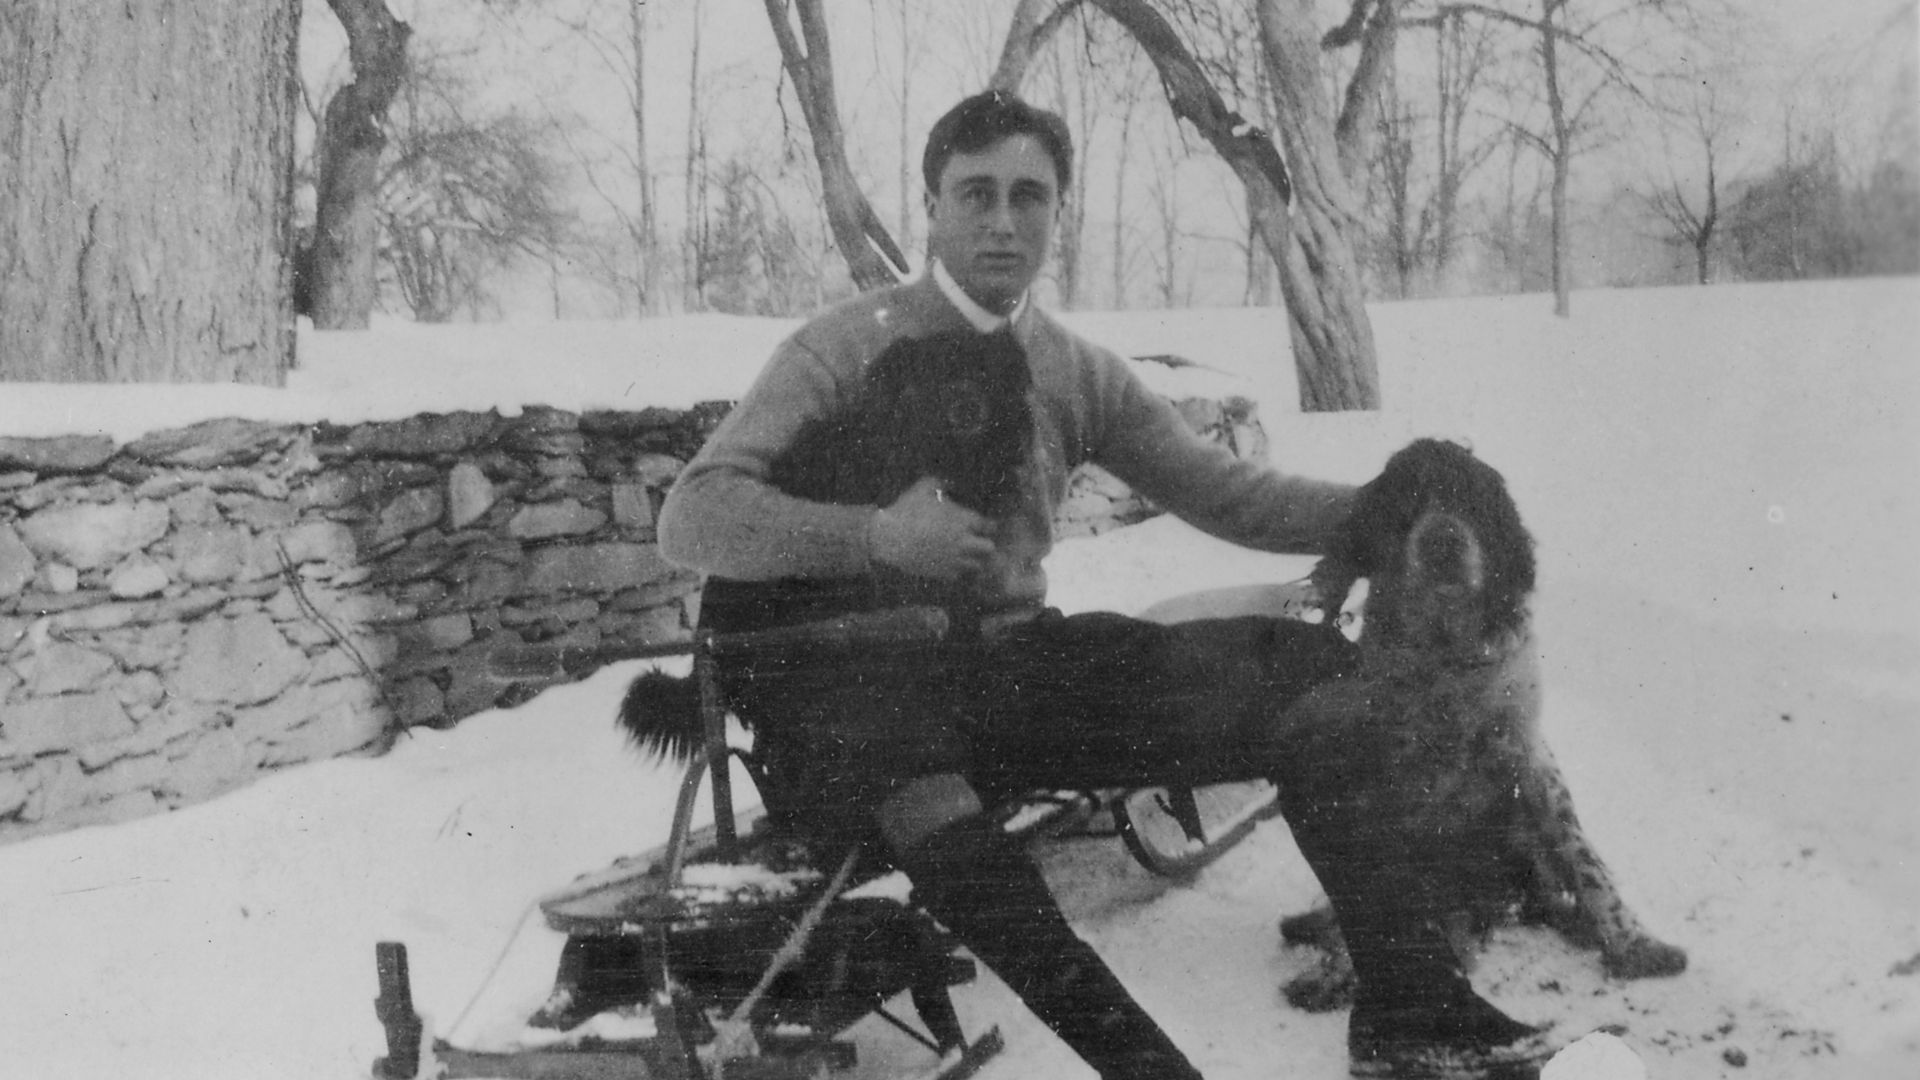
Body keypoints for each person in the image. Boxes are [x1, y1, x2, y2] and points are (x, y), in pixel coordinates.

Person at [658, 90, 1553, 1080]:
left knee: (1311, 672)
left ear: (1058, 211)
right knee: (922, 787)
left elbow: (1224, 491)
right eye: (977, 194)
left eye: (1030, 196)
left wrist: (1403, 514)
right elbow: (691, 516)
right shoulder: (840, 344)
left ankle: (1410, 1008)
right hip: (852, 700)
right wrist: (876, 534)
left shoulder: (1072, 368)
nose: (1004, 222)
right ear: (932, 206)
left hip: (1008, 673)